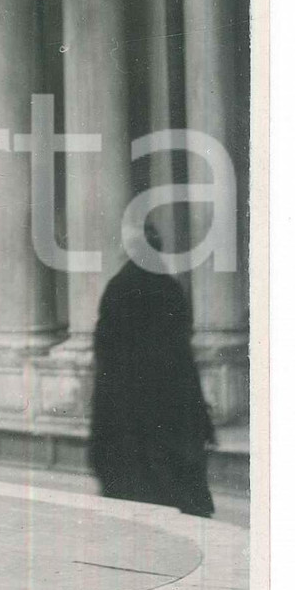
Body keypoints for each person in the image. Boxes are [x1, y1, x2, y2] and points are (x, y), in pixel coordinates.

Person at [89, 221, 215, 518]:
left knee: (134, 485)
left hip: (128, 406)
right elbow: (181, 351)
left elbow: (105, 350)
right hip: (170, 402)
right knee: (171, 481)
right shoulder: (170, 288)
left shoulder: (119, 288)